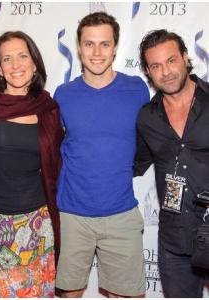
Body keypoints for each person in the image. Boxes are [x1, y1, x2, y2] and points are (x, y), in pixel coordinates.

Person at [54, 12, 149, 298]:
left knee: (125, 295)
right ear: (79, 46)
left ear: (116, 47)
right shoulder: (63, 94)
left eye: (105, 44)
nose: (97, 53)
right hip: (73, 215)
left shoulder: (137, 89)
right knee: (69, 293)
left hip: (121, 211)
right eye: (89, 44)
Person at [0, 31, 64, 298]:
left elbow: (57, 164)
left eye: (23, 56)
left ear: (34, 63)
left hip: (36, 222)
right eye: (7, 59)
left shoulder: (48, 108)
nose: (16, 65)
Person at [135, 29, 209, 298]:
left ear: (186, 58)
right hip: (174, 241)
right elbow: (132, 163)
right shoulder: (147, 117)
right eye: (156, 65)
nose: (165, 72)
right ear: (147, 71)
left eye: (171, 61)